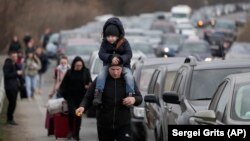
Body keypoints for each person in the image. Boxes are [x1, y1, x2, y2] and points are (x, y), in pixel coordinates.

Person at [75, 62, 142, 141]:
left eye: (118, 69)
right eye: (112, 69)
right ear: (108, 69)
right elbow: (88, 97)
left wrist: (133, 99)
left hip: (123, 124)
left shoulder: (128, 80)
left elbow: (139, 98)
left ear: (122, 69)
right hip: (104, 124)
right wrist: (82, 107)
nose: (115, 72)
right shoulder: (100, 80)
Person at [93, 17, 135, 106]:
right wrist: (110, 58)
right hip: (108, 65)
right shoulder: (104, 43)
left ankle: (130, 94)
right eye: (108, 36)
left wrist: (120, 59)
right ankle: (98, 93)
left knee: (129, 77)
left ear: (117, 35)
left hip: (124, 66)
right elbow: (101, 54)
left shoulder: (124, 42)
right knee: (101, 75)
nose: (110, 39)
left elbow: (129, 54)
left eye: (112, 36)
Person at [59, 56, 92, 141]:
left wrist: (88, 86)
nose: (78, 67)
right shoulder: (69, 72)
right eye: (77, 65)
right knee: (71, 113)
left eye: (80, 65)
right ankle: (70, 130)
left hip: (81, 97)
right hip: (70, 96)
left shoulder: (86, 71)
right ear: (73, 65)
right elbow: (63, 85)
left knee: (78, 115)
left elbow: (90, 82)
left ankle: (76, 134)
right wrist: (64, 95)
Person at [3, 51, 23, 125]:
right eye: (14, 56)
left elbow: (18, 74)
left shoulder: (15, 64)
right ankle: (9, 119)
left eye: (16, 56)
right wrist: (16, 73)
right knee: (12, 103)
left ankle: (10, 119)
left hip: (14, 86)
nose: (15, 58)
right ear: (10, 56)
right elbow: (7, 75)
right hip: (9, 87)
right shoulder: (7, 64)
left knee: (13, 103)